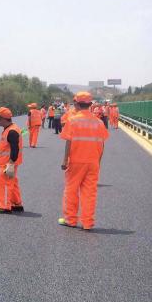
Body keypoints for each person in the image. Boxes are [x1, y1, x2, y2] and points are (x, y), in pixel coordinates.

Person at [58, 92, 109, 231]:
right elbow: (102, 144)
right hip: (93, 162)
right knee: (90, 193)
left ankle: (70, 219)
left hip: (76, 161)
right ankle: (88, 223)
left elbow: (68, 141)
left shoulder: (73, 120)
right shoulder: (98, 122)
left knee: (71, 190)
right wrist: (98, 162)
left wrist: (65, 160)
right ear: (90, 105)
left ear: (76, 104)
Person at [0, 107, 24, 213]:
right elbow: (6, 147)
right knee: (12, 182)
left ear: (4, 119)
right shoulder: (9, 129)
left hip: (8, 163)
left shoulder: (12, 131)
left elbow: (15, 149)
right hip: (8, 161)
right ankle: (17, 204)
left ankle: (4, 206)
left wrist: (11, 164)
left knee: (4, 184)